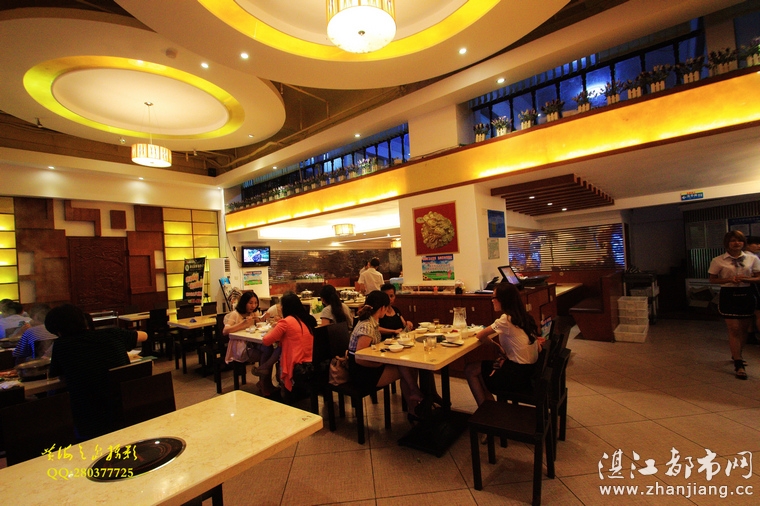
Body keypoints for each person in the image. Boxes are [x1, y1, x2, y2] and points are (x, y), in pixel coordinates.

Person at [45, 304, 147, 440]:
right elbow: (144, 335)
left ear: (57, 330)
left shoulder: (61, 345)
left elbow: (56, 375)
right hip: (126, 406)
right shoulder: (113, 334)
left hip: (90, 415)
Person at [348, 290, 432, 420]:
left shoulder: (371, 321)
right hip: (362, 373)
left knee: (407, 367)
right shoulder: (367, 327)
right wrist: (380, 363)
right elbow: (359, 358)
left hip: (369, 366)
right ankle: (414, 406)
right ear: (382, 308)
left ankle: (414, 404)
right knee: (406, 369)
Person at [465, 282, 542, 406]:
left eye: (494, 297)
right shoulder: (525, 317)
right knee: (481, 370)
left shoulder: (506, 319)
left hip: (517, 377)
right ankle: (489, 408)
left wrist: (496, 346)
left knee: (471, 370)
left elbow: (480, 335)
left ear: (504, 300)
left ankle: (486, 409)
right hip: (530, 372)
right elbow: (538, 348)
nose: (492, 300)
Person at [708, 230, 760, 380]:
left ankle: (738, 354)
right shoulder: (718, 260)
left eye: (739, 240)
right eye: (733, 240)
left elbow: (758, 277)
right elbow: (712, 279)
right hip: (729, 294)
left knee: (743, 329)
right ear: (727, 243)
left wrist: (746, 279)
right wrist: (729, 279)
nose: (736, 243)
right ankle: (738, 364)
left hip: (746, 293)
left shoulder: (752, 258)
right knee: (734, 329)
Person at [262, 292, 315, 400]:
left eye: (281, 305)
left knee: (276, 352)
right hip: (312, 360)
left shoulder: (286, 322)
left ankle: (269, 379)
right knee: (280, 349)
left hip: (297, 364)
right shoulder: (305, 319)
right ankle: (265, 370)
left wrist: (274, 327)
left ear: (286, 307)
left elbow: (266, 341)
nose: (280, 308)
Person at [223, 292, 278, 395]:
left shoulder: (254, 313)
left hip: (251, 343)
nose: (253, 306)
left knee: (269, 348)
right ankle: (264, 384)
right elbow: (225, 331)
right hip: (239, 347)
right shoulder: (236, 314)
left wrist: (264, 319)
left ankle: (264, 382)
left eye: (255, 303)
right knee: (266, 354)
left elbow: (258, 326)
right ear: (244, 302)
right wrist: (242, 324)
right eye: (250, 303)